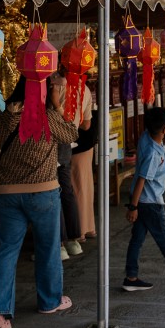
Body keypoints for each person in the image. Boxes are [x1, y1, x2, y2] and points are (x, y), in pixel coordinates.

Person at [0, 77, 78, 328]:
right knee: (48, 248)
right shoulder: (46, 115)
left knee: (6, 250)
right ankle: (49, 301)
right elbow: (71, 134)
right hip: (43, 191)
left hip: (7, 193)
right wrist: (57, 106)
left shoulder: (3, 113)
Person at [122, 97, 165, 291]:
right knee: (163, 237)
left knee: (136, 239)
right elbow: (141, 181)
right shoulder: (154, 153)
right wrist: (133, 207)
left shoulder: (147, 135)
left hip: (143, 201)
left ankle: (131, 276)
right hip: (149, 202)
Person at [50, 64, 90, 259]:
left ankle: (59, 244)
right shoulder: (86, 89)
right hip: (68, 142)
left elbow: (54, 108)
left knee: (53, 191)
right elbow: (87, 124)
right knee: (66, 190)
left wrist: (58, 107)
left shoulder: (56, 85)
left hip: (53, 142)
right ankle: (73, 240)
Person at [71, 93, 97, 240]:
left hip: (76, 144)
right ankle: (89, 227)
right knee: (85, 186)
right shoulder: (84, 88)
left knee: (76, 187)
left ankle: (79, 230)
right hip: (86, 144)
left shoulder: (65, 88)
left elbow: (85, 124)